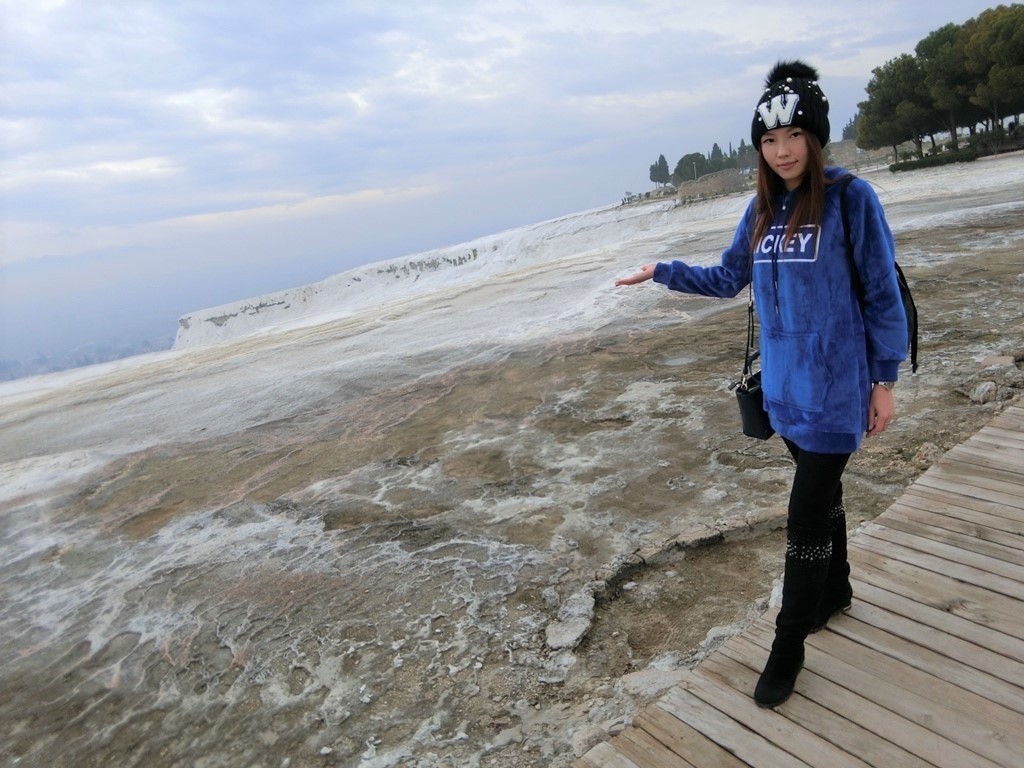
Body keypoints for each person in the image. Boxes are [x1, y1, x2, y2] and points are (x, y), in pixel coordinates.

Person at [615, 60, 908, 708]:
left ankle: (788, 645)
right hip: (784, 394)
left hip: (835, 392)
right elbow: (726, 279)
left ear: (814, 137)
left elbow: (883, 293)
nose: (781, 152)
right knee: (821, 499)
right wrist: (662, 270)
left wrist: (883, 380)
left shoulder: (850, 198)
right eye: (769, 141)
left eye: (792, 137)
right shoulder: (762, 209)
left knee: (803, 517)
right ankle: (838, 588)